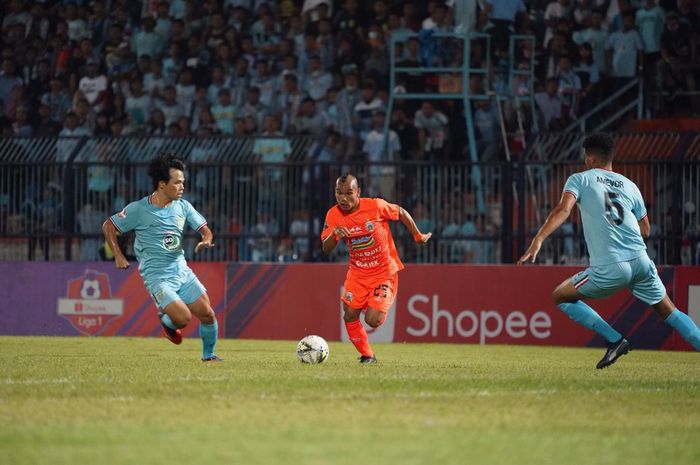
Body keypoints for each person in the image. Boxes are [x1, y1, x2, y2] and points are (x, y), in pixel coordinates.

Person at [518, 134, 700, 368]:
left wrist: (538, 240)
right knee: (670, 311)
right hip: (642, 261)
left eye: (585, 156)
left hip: (611, 265)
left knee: (560, 296)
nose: (584, 160)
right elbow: (646, 228)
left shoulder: (580, 179)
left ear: (591, 157)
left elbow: (563, 210)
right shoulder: (630, 185)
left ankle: (615, 340)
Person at [102, 153, 221, 362]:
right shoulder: (139, 209)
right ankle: (167, 322)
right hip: (158, 277)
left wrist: (206, 238)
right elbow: (108, 225)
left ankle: (208, 356)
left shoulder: (183, 206)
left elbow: (205, 229)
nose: (182, 187)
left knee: (208, 314)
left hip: (181, 271)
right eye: (177, 183)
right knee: (182, 319)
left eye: (183, 182)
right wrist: (117, 255)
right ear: (162, 184)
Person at [321, 174, 432, 363]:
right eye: (339, 193)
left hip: (383, 273)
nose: (343, 198)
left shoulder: (375, 206)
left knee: (372, 320)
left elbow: (401, 212)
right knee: (349, 315)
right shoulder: (333, 215)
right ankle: (368, 356)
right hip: (357, 273)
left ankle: (372, 301)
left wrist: (417, 235)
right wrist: (334, 235)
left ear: (359, 192)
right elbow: (326, 248)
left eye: (349, 193)